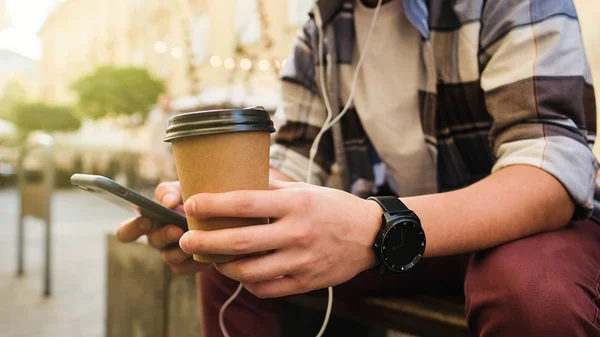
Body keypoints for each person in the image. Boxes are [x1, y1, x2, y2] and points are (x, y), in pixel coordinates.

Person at [117, 0, 600, 336]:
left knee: (532, 290)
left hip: (521, 234)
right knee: (243, 255)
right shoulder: (322, 27)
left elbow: (550, 171)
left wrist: (377, 223)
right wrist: (219, 213)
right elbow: (296, 156)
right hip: (401, 242)